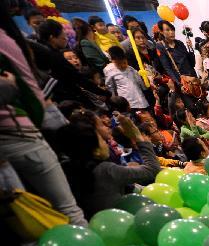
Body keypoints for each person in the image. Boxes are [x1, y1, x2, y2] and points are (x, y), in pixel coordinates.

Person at [0, 5, 87, 227]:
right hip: (24, 133)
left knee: (26, 220)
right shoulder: (11, 41)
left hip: (22, 134)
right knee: (67, 209)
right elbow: (31, 94)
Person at [61, 109, 160, 216]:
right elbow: (152, 169)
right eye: (102, 125)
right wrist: (137, 135)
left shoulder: (75, 171)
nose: (108, 128)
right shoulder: (105, 170)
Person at [34, 19, 111, 107]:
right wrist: (104, 93)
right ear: (52, 38)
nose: (66, 39)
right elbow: (77, 78)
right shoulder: (53, 56)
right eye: (63, 36)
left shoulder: (41, 52)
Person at [154, 19, 201, 106]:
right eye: (167, 30)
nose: (171, 32)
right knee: (191, 106)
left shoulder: (180, 43)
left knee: (201, 103)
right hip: (181, 81)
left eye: (172, 30)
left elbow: (192, 63)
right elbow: (167, 68)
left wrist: (190, 49)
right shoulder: (161, 46)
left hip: (192, 78)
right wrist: (179, 84)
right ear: (161, 32)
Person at [104, 45, 150, 112]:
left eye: (124, 62)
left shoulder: (131, 69)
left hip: (141, 101)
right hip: (127, 104)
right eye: (119, 63)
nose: (123, 65)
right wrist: (115, 103)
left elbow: (143, 86)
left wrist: (145, 80)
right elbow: (111, 88)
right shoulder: (109, 70)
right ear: (113, 61)